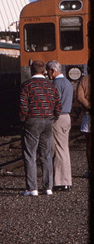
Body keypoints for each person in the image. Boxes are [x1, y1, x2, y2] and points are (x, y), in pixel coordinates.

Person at [18, 60, 60, 196]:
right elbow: (57, 104)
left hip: (32, 121)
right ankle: (48, 187)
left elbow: (22, 105)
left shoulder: (26, 85)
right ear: (44, 71)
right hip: (48, 121)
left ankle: (32, 188)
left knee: (30, 154)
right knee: (46, 154)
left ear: (31, 71)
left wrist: (23, 120)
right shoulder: (51, 86)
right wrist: (53, 117)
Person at [46, 60, 74, 191]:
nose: (47, 74)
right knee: (63, 149)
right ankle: (66, 180)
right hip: (66, 116)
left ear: (53, 71)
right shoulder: (67, 83)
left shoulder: (56, 84)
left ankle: (60, 182)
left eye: (48, 71)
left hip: (58, 117)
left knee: (57, 150)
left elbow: (54, 103)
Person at [76, 73, 91, 178]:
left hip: (88, 115)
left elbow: (80, 97)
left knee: (89, 144)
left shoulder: (84, 80)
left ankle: (90, 170)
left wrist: (89, 106)